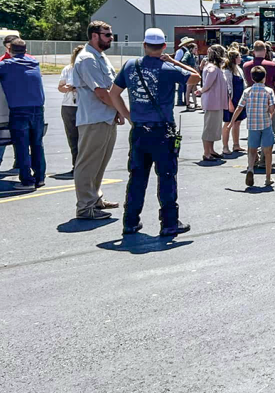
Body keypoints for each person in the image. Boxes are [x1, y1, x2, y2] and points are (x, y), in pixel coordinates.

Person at [109, 28, 200, 237]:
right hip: (162, 130)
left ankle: (130, 221)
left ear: (144, 45)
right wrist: (174, 61)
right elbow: (195, 77)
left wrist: (129, 116)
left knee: (137, 177)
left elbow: (114, 94)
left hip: (140, 129)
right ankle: (169, 223)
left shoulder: (131, 65)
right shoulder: (168, 68)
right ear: (164, 47)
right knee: (167, 176)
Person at [0, 38, 46, 189]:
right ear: (25, 50)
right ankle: (40, 177)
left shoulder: (7, 64)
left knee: (21, 145)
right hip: (38, 109)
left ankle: (26, 180)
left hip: (19, 110)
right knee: (37, 145)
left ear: (9, 51)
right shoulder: (34, 63)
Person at [73, 21, 124, 220]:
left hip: (106, 117)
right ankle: (85, 207)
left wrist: (116, 112)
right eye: (107, 34)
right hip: (94, 118)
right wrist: (122, 110)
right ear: (95, 35)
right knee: (87, 164)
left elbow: (110, 90)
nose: (111, 38)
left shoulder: (100, 57)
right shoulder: (87, 59)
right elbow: (101, 93)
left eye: (111, 34)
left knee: (100, 163)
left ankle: (95, 199)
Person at [228, 64, 275, 188]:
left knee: (252, 149)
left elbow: (239, 107)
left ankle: (250, 167)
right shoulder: (268, 91)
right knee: (267, 151)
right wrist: (271, 113)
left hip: (252, 124)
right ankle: (268, 177)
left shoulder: (247, 91)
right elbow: (272, 109)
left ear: (252, 78)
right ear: (264, 78)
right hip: (265, 124)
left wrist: (231, 123)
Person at [0, 33, 28, 175]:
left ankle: (20, 162)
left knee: (22, 134)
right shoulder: (2, 61)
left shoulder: (27, 60)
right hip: (4, 102)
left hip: (21, 103)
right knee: (2, 134)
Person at [243, 41, 275, 168]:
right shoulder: (272, 65)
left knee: (253, 131)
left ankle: (253, 160)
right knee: (269, 130)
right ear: (265, 51)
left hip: (252, 101)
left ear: (253, 51)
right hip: (268, 101)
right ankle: (264, 159)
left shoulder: (246, 65)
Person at [55, 45, 85, 179]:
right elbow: (60, 87)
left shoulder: (89, 69)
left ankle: (86, 167)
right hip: (69, 106)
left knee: (85, 138)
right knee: (73, 138)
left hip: (84, 106)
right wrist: (68, 87)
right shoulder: (68, 69)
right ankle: (75, 166)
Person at [198, 44, 231, 161]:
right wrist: (201, 90)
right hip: (212, 103)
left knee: (213, 128)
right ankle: (207, 153)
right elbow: (207, 85)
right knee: (209, 128)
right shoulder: (213, 68)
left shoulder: (215, 67)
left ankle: (211, 151)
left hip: (216, 103)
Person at [222, 49, 245, 154]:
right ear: (234, 58)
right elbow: (227, 88)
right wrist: (229, 102)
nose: (241, 58)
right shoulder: (227, 71)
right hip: (232, 100)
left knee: (237, 122)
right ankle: (225, 147)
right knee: (228, 122)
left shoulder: (238, 69)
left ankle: (236, 145)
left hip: (240, 99)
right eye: (239, 56)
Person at [174, 37, 195, 106]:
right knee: (181, 86)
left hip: (184, 69)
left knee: (185, 86)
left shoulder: (187, 51)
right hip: (181, 69)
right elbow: (176, 61)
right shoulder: (180, 51)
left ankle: (186, 100)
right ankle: (180, 101)